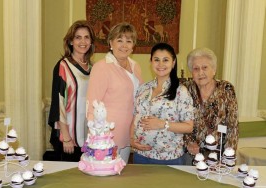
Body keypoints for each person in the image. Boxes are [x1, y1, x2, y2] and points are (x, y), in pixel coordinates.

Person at [86, 22, 143, 163]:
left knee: (121, 176)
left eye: (128, 41)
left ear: (133, 45)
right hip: (108, 135)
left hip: (129, 131)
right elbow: (93, 103)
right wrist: (97, 136)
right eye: (119, 40)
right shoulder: (102, 67)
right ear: (111, 43)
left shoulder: (136, 66)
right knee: (106, 177)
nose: (124, 45)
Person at [130, 43, 194, 165]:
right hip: (141, 155)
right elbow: (135, 118)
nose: (160, 64)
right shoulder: (143, 88)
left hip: (168, 158)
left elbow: (189, 126)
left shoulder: (181, 91)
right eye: (156, 60)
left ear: (173, 63)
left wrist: (162, 124)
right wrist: (132, 140)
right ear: (151, 62)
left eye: (165, 60)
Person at [48, 20, 95, 162]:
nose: (83, 41)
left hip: (86, 135)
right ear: (70, 41)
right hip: (68, 137)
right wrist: (66, 137)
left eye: (87, 37)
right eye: (78, 37)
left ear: (91, 42)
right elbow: (59, 103)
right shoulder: (63, 66)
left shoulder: (92, 68)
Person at [183, 47, 239, 165]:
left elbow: (232, 126)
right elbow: (178, 121)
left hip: (219, 154)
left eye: (205, 67)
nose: (200, 72)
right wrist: (187, 143)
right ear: (191, 72)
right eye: (196, 68)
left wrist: (229, 157)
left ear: (213, 70)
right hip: (191, 154)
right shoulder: (185, 89)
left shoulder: (226, 89)